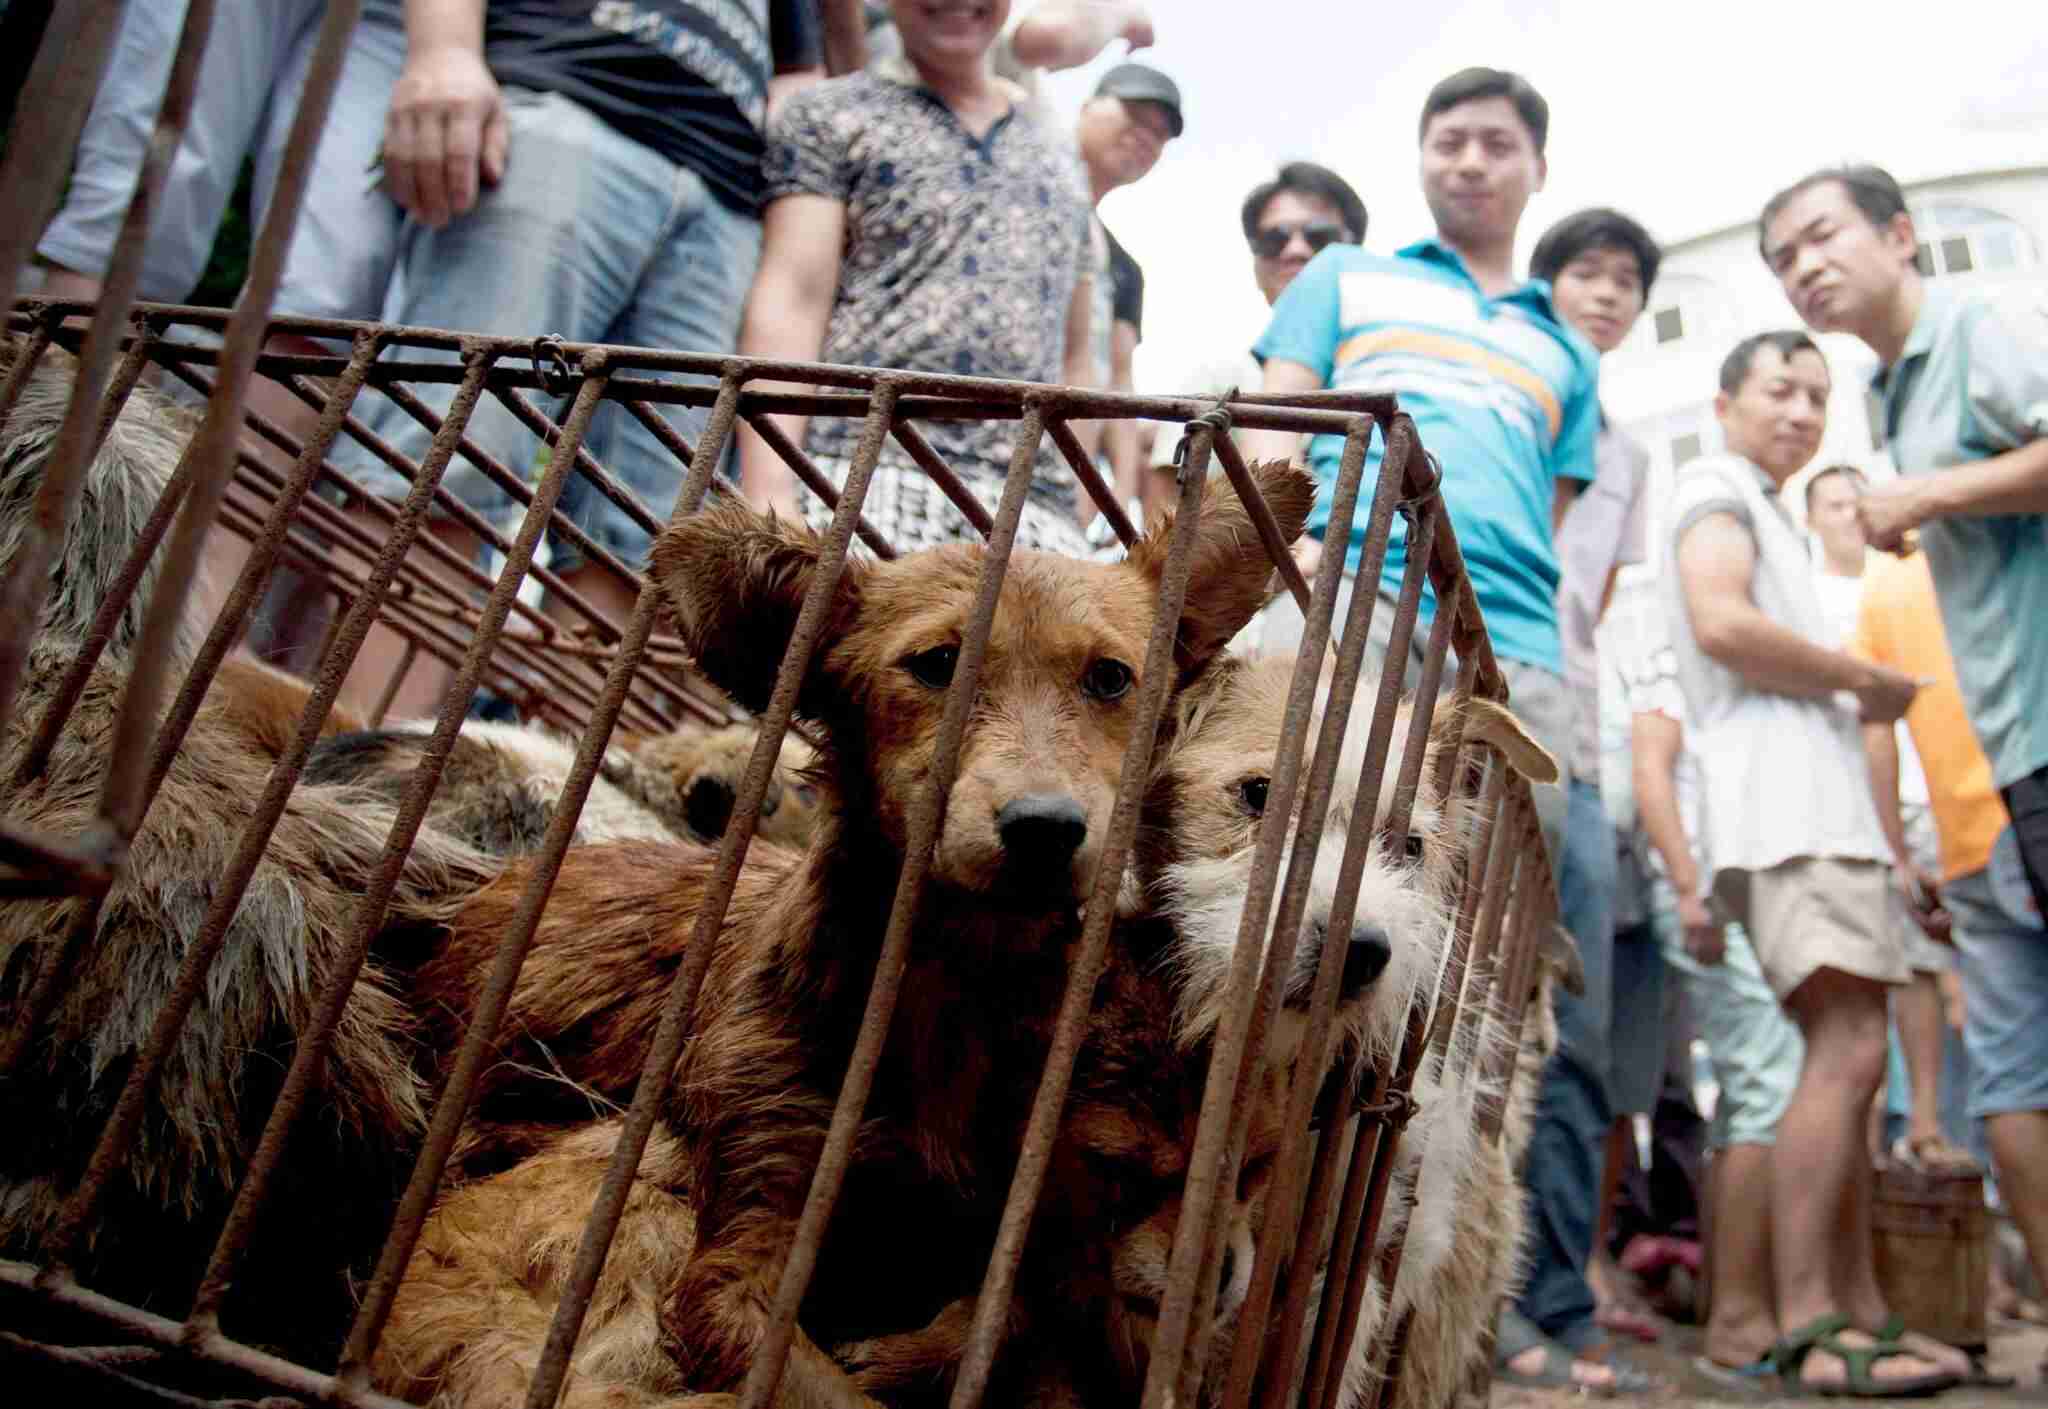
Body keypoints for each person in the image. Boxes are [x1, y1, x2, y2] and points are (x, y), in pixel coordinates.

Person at [324, 0, 825, 720]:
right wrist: (443, 50)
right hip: (567, 101)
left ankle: (554, 810)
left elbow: (795, 74)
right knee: (449, 456)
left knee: (640, 535)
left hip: (724, 197)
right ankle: (349, 779)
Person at [1660, 328, 1962, 1395]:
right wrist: (1860, 681)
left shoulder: (1760, 499)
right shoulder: (1711, 481)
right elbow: (1718, 619)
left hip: (1813, 818)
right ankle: (1810, 1320)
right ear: (1726, 396)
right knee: (1840, 1051)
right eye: (1778, 389)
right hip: (1787, 817)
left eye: (1814, 396)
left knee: (1851, 1059)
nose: (1798, 410)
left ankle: (1855, 1309)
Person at [1240, 67, 1596, 864]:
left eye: (1497, 144)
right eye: (1449, 143)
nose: (1470, 161)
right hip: (1349, 591)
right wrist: (1282, 542)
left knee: (1498, 897)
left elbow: (1553, 507)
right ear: (1421, 160)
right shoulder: (1345, 273)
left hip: (1515, 649)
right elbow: (1276, 411)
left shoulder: (1569, 349)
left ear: (1538, 167)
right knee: (1293, 839)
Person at [34, 0, 414, 652]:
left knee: (327, 294)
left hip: (402, 16)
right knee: (136, 207)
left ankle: (190, 632)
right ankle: (36, 542)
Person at [1761, 162, 2048, 925]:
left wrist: (1925, 495)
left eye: (1822, 237)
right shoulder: (1893, 391)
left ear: (1898, 235)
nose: (1805, 267)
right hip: (2017, 745)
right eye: (1784, 260)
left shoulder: (1979, 324)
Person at [736, 0, 1098, 558]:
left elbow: (1076, 355)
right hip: (861, 472)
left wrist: (1075, 508)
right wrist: (770, 497)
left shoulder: (1060, 153)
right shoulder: (828, 114)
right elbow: (793, 297)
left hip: (1033, 506)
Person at [1607, 579, 1805, 1388]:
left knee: (1758, 1084)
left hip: (1725, 884)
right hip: (1693, 888)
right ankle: (1733, 1322)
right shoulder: (1661, 638)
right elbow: (1653, 773)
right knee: (1763, 1078)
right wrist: (1688, 889)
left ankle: (1735, 1307)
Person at [1528, 206, 1666, 1354]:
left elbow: (1598, 609)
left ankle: (1553, 1298)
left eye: (1626, 279)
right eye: (1585, 272)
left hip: (1567, 722)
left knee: (1572, 1019)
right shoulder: (1502, 394)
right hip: (1467, 696)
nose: (1606, 294)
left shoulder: (1626, 452)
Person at [1851, 546, 2048, 1328]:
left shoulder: (1887, 583)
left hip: (1966, 839)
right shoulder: (2016, 530)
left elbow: (1877, 729)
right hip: (2027, 802)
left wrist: (1899, 851)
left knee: (2012, 1080)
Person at [1808, 462, 1975, 1173]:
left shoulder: (1922, 579)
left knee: (1938, 969)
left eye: (1858, 500)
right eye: (1833, 504)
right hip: (1846, 801)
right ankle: (1868, 1137)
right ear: (1812, 519)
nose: (1849, 513)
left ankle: (1932, 1125)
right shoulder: (1809, 600)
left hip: (1939, 791)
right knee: (1866, 969)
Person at [1071, 62, 1181, 531]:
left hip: (1057, 471)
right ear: (1086, 107)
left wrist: (1114, 489)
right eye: (1134, 114)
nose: (1145, 136)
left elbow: (1118, 381)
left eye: (1160, 134)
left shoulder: (1123, 268)